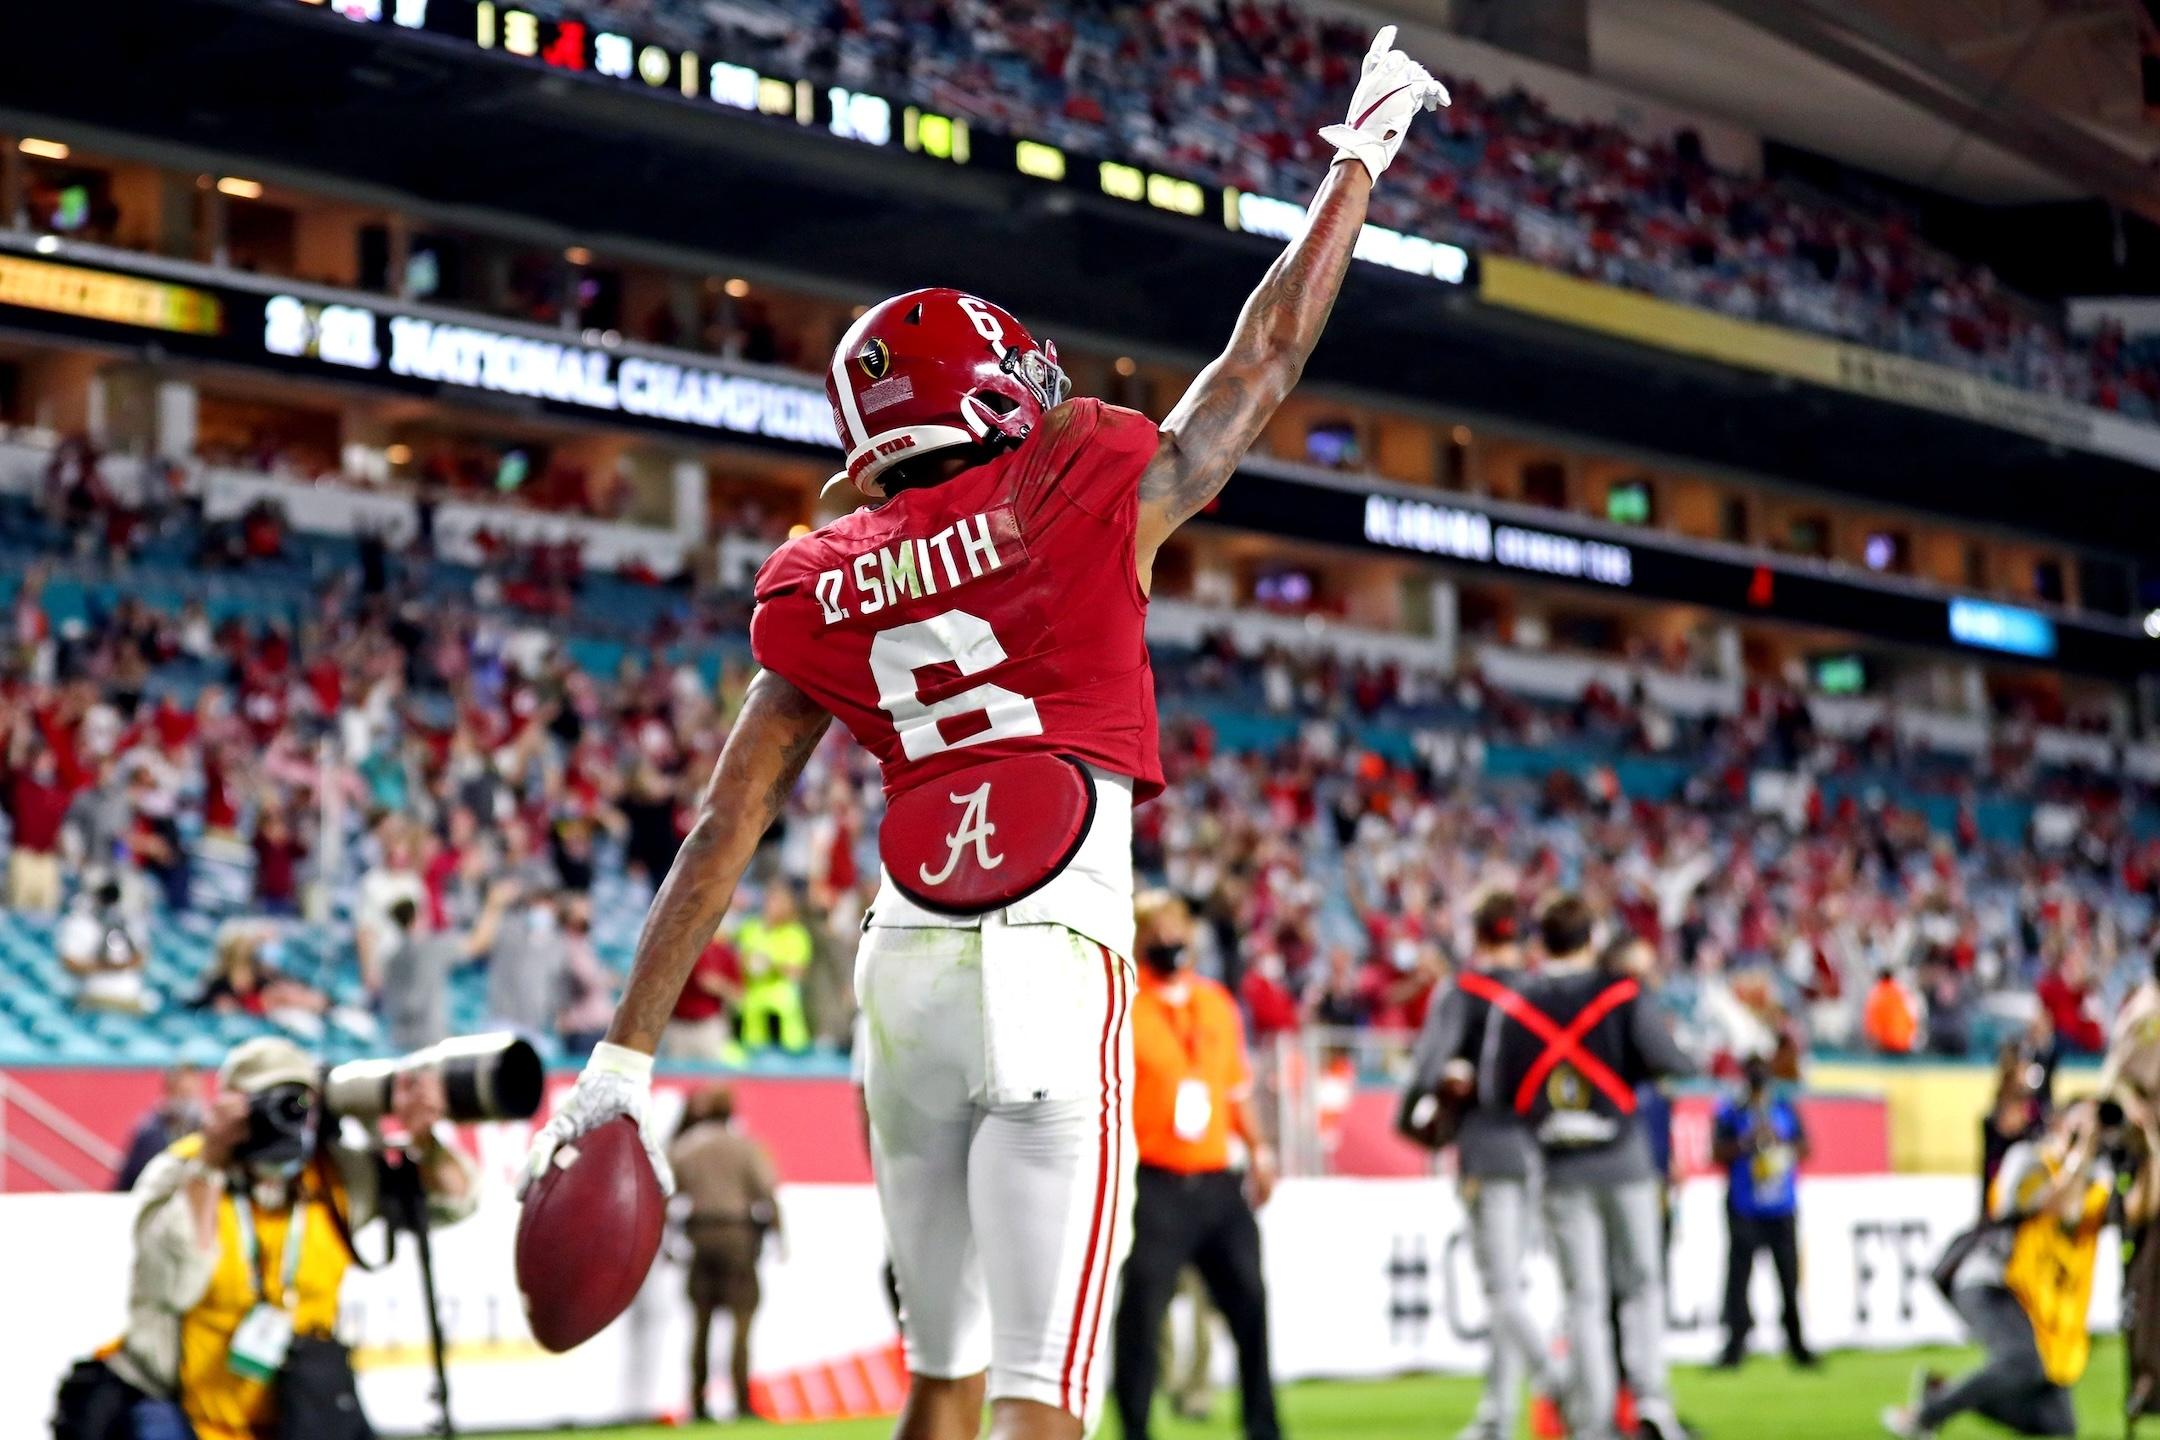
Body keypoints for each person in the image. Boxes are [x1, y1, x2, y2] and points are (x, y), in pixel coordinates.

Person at [520, 31, 1451, 1440]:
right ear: (994, 391)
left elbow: (726, 824)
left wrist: (621, 1067)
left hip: (904, 976)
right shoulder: (1078, 480)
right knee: (1045, 1398)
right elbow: (1261, 358)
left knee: (939, 1382)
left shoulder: (814, 575)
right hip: (1051, 955)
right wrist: (1357, 161)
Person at [103, 1037, 476, 1440]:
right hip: (186, 1412)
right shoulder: (181, 1171)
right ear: (232, 1105)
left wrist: (425, 1140)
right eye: (268, 1103)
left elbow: (450, 1204)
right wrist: (211, 1160)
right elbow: (172, 1286)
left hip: (302, 1412)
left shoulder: (336, 1174)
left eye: (298, 1104)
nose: (285, 1117)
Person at [1480, 897, 1695, 1440]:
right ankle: (1650, 1399)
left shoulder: (1517, 1004)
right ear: (1592, 938)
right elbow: (1670, 1060)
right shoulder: (1620, 993)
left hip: (1559, 1165)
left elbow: (1497, 1089)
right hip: (1624, 1158)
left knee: (1585, 1299)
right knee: (1643, 1281)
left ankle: (1593, 1419)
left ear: (1542, 942)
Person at [1112, 890, 1282, 1440]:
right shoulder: (1123, 1004)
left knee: (1251, 1303)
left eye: (1176, 926)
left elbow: (1236, 1090)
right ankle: (1135, 1428)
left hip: (1215, 1178)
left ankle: (1264, 1426)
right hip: (1153, 1180)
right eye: (1155, 929)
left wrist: (1259, 1150)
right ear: (1137, 937)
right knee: (1141, 1313)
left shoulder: (1216, 1004)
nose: (1168, 939)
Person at [1402, 890, 1558, 1440]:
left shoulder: (1464, 992)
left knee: (1500, 1290)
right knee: (1509, 1284)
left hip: (1486, 1147)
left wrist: (1409, 1119)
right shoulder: (1542, 993)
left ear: (1479, 933)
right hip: (1540, 1149)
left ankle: (1559, 1382)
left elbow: (1427, 1067)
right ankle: (1497, 1415)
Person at [1882, 1103, 2111, 1439]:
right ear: (2058, 1123)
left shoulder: (2091, 1173)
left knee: (2058, 1424)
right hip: (1989, 1281)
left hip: (2037, 1300)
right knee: (2024, 1362)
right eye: (2079, 1123)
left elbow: (2095, 1210)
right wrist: (2082, 1151)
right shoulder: (2028, 1158)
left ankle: (1943, 1392)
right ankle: (1924, 1416)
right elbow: (2058, 1205)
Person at [670, 1083, 782, 1422]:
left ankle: (698, 1403)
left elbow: (664, 1195)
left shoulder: (684, 1149)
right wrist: (780, 1235)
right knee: (741, 1323)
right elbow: (767, 1192)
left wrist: (664, 1245)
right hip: (738, 1238)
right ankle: (742, 1401)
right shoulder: (745, 1148)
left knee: (700, 1325)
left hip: (699, 1235)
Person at [1713, 1055, 1815, 1368]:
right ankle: (1736, 1344)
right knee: (1738, 1280)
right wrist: (1746, 1143)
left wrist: (1778, 1141)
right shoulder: (1731, 1110)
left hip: (1780, 1205)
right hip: (1745, 1205)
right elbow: (1717, 1152)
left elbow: (1805, 1147)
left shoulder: (1783, 1108)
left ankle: (1796, 1343)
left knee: (1788, 1279)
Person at [734, 882, 813, 1052]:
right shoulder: (750, 929)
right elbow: (739, 960)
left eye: (777, 902)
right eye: (769, 900)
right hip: (753, 1015)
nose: (771, 906)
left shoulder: (795, 934)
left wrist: (770, 965)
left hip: (783, 1018)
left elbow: (797, 972)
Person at [114, 1064, 205, 1192]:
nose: (188, 1100)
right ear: (170, 1090)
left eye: (191, 1092)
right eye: (182, 1092)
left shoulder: (204, 1130)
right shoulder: (149, 1133)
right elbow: (128, 1180)